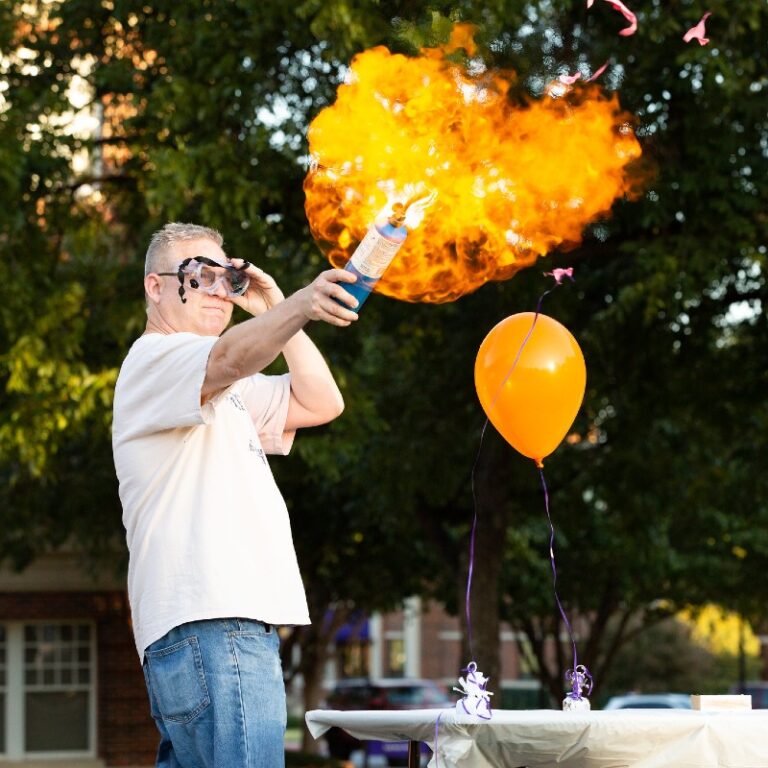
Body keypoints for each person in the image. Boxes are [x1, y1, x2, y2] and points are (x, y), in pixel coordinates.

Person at [112, 222, 359, 768]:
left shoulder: (229, 390)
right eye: (199, 275)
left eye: (227, 278)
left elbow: (322, 402)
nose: (220, 290)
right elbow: (227, 359)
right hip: (215, 627)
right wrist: (297, 306)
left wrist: (272, 304)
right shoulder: (155, 359)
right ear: (157, 287)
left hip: (207, 635)